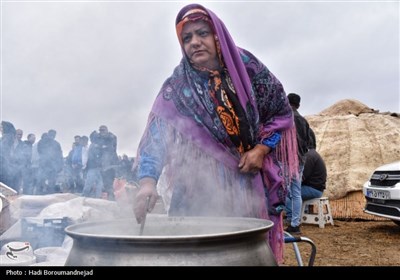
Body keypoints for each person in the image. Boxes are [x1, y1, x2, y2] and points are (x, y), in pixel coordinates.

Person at [132, 3, 298, 264]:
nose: (195, 43)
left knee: (244, 253)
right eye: (187, 38)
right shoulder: (176, 87)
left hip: (246, 185)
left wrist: (261, 149)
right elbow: (157, 138)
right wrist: (147, 182)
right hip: (195, 190)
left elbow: (281, 114)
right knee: (194, 256)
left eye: (202, 33)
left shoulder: (247, 68)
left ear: (217, 35)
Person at [285, 93, 312, 234]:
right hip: (300, 160)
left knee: (282, 190)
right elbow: (309, 142)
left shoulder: (285, 118)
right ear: (299, 105)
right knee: (296, 193)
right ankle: (295, 224)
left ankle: (282, 219)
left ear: (286, 102)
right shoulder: (304, 121)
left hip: (285, 160)